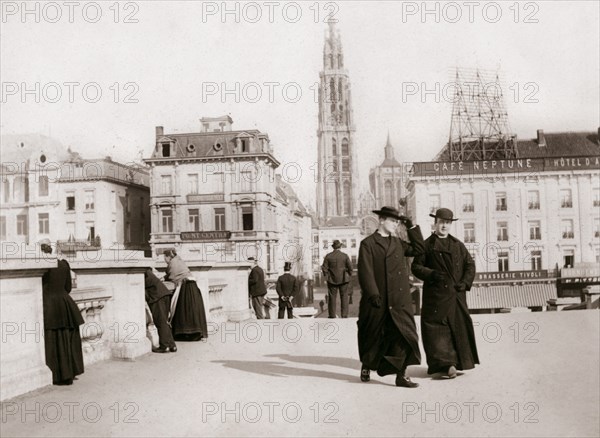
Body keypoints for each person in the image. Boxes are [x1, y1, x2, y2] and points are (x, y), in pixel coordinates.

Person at [357, 206, 425, 388]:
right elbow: (365, 271)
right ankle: (367, 364)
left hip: (399, 299)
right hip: (378, 300)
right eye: (392, 221)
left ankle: (401, 375)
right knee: (372, 335)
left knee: (404, 336)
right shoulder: (368, 244)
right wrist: (372, 293)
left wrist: (411, 227)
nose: (396, 224)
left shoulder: (398, 243)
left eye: (397, 221)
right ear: (381, 220)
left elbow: (419, 249)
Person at [411, 208, 479, 379]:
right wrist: (432, 274)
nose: (444, 226)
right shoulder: (426, 245)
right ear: (435, 223)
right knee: (437, 331)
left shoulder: (458, 245)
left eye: (447, 223)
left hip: (456, 295)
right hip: (436, 297)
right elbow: (416, 267)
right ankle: (445, 364)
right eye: (441, 222)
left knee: (459, 327)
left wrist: (464, 282)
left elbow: (470, 265)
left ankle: (459, 362)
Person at [40, 238, 84, 385]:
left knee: (53, 341)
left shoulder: (42, 267)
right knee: (67, 339)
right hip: (65, 305)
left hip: (49, 306)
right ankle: (69, 373)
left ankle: (57, 375)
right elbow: (68, 288)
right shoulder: (64, 264)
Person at [163, 249, 208, 341]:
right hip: (193, 286)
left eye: (165, 257)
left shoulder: (172, 263)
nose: (165, 260)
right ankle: (195, 333)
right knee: (193, 310)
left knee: (183, 310)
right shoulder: (179, 260)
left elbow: (172, 277)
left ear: (168, 257)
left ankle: (185, 333)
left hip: (185, 287)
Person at [144, 268, 177, 353]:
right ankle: (172, 345)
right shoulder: (147, 271)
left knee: (160, 321)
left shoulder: (142, 272)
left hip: (157, 297)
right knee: (164, 321)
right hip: (164, 294)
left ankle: (164, 346)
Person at [322, 240, 353, 318]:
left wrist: (327, 276)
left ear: (333, 247)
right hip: (344, 279)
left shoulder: (328, 256)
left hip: (331, 280)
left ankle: (332, 315)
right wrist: (348, 275)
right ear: (340, 247)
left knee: (332, 298)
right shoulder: (345, 256)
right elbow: (350, 267)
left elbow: (324, 268)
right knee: (344, 297)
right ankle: (344, 315)